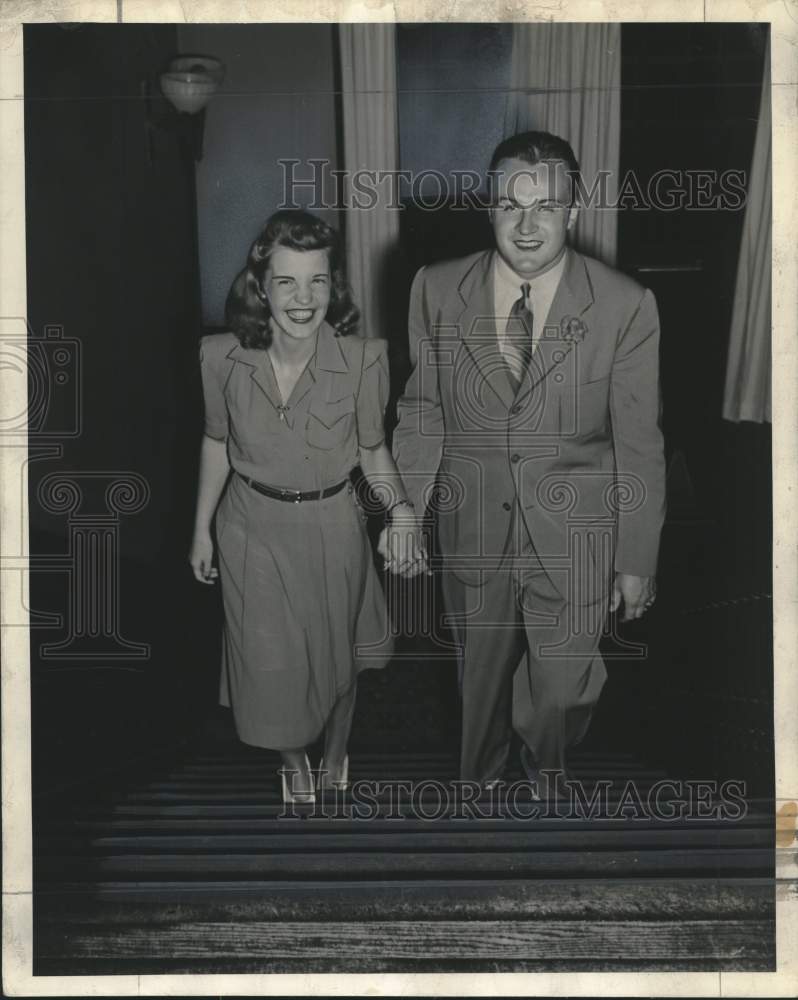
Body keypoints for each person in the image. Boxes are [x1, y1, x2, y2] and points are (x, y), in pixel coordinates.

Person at [387, 131, 666, 790]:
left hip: (577, 532)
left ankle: (545, 761)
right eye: (511, 205)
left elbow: (639, 443)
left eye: (546, 205)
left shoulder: (625, 306)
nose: (527, 223)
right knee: (476, 685)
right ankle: (479, 790)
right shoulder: (435, 288)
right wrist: (406, 511)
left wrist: (636, 561)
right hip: (473, 524)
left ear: (573, 210)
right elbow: (423, 410)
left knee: (565, 688)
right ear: (489, 207)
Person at [190, 209, 425, 804]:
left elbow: (373, 451)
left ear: (333, 285)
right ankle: (295, 765)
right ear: (259, 285)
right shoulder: (220, 358)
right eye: (287, 282)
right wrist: (200, 531)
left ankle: (337, 753)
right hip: (249, 529)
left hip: (331, 527)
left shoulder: (365, 360)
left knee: (336, 663)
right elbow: (217, 442)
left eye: (317, 281)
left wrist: (400, 511)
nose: (303, 299)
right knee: (268, 666)